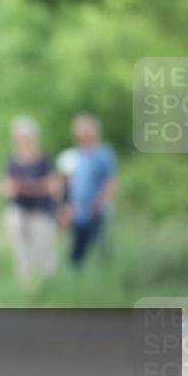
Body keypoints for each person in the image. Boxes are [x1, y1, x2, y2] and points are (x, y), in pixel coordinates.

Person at [0, 116, 57, 284]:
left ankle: (46, 282)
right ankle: (26, 282)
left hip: (41, 209)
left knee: (43, 245)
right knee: (21, 247)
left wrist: (28, 186)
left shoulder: (44, 159)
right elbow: (6, 186)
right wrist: (29, 186)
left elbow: (52, 185)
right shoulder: (12, 160)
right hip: (19, 208)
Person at [64, 114, 118, 267]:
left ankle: (104, 274)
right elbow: (69, 184)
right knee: (77, 249)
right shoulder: (74, 155)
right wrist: (68, 206)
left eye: (87, 130)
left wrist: (101, 201)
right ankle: (77, 277)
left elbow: (111, 181)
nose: (83, 134)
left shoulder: (103, 153)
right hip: (78, 210)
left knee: (99, 246)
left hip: (97, 209)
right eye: (80, 130)